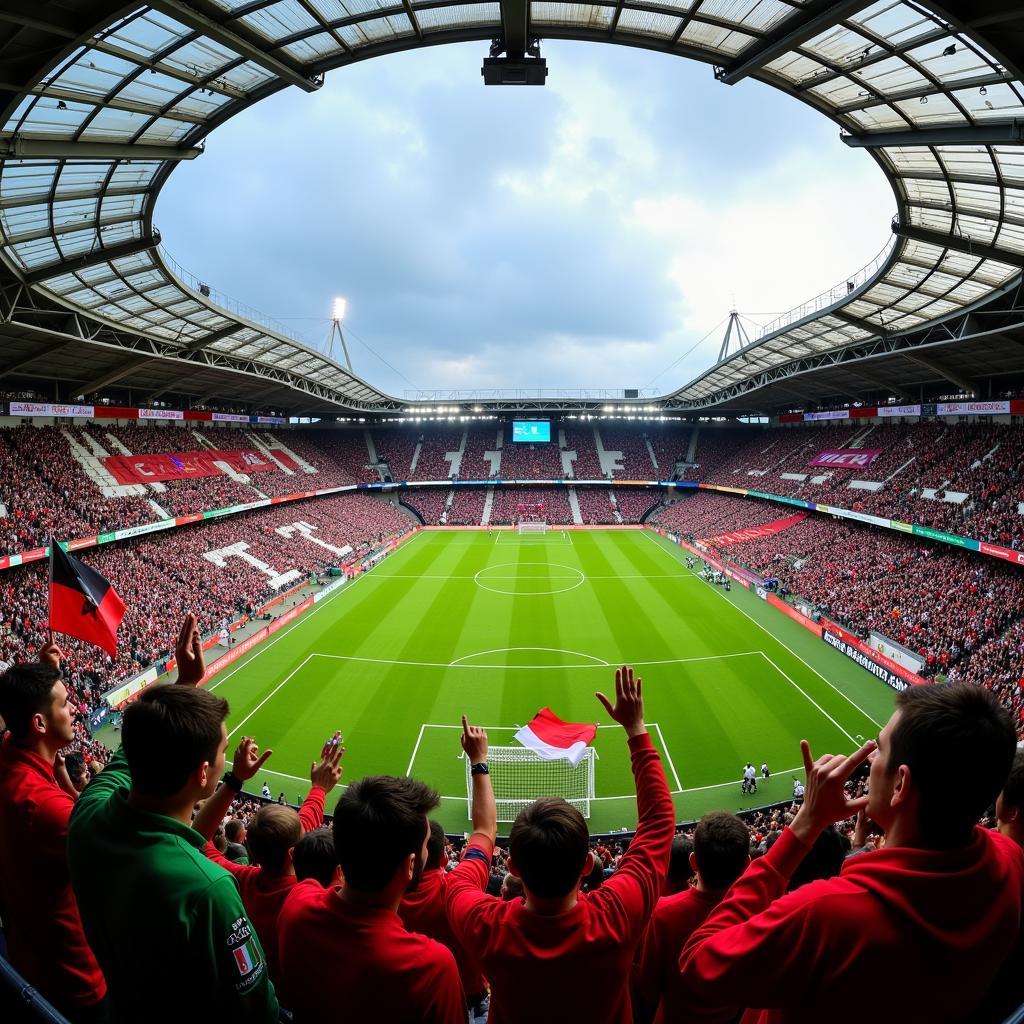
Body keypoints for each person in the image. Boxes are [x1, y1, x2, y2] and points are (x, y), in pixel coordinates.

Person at [678, 684, 1024, 1023]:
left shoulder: (828, 914)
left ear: (900, 784)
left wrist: (803, 827)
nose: (870, 758)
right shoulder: (1010, 863)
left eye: (881, 750)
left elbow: (698, 965)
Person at [67, 614, 278, 1024]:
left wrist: (184, 685)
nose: (225, 759)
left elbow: (134, 749)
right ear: (202, 775)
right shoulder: (209, 888)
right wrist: (185, 681)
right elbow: (258, 1011)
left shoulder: (88, 814)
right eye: (223, 751)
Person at [446, 666, 675, 1023]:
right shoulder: (616, 915)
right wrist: (635, 729)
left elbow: (477, 845)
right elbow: (659, 822)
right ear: (586, 865)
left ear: (514, 868)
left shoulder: (486, 926)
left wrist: (478, 764)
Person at [277, 741, 473, 1022]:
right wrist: (319, 789)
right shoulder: (431, 967)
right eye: (427, 844)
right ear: (410, 865)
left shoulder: (297, 905)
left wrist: (319, 789)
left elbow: (295, 841)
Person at [0, 637, 108, 1023]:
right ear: (40, 722)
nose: (76, 709)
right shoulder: (46, 808)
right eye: (65, 703)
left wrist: (47, 672)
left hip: (26, 954)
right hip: (74, 980)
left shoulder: (10, 756)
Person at [192, 732, 344, 985]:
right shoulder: (315, 900)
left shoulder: (235, 879)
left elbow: (198, 837)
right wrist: (318, 788)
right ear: (293, 852)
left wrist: (235, 780)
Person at [633, 811, 750, 1024]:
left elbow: (648, 988)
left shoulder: (663, 914)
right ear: (747, 864)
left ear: (693, 862)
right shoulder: (753, 913)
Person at [399, 819, 490, 1023]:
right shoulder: (458, 888)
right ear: (444, 859)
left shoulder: (388, 897)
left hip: (413, 995)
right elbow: (485, 831)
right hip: (471, 993)